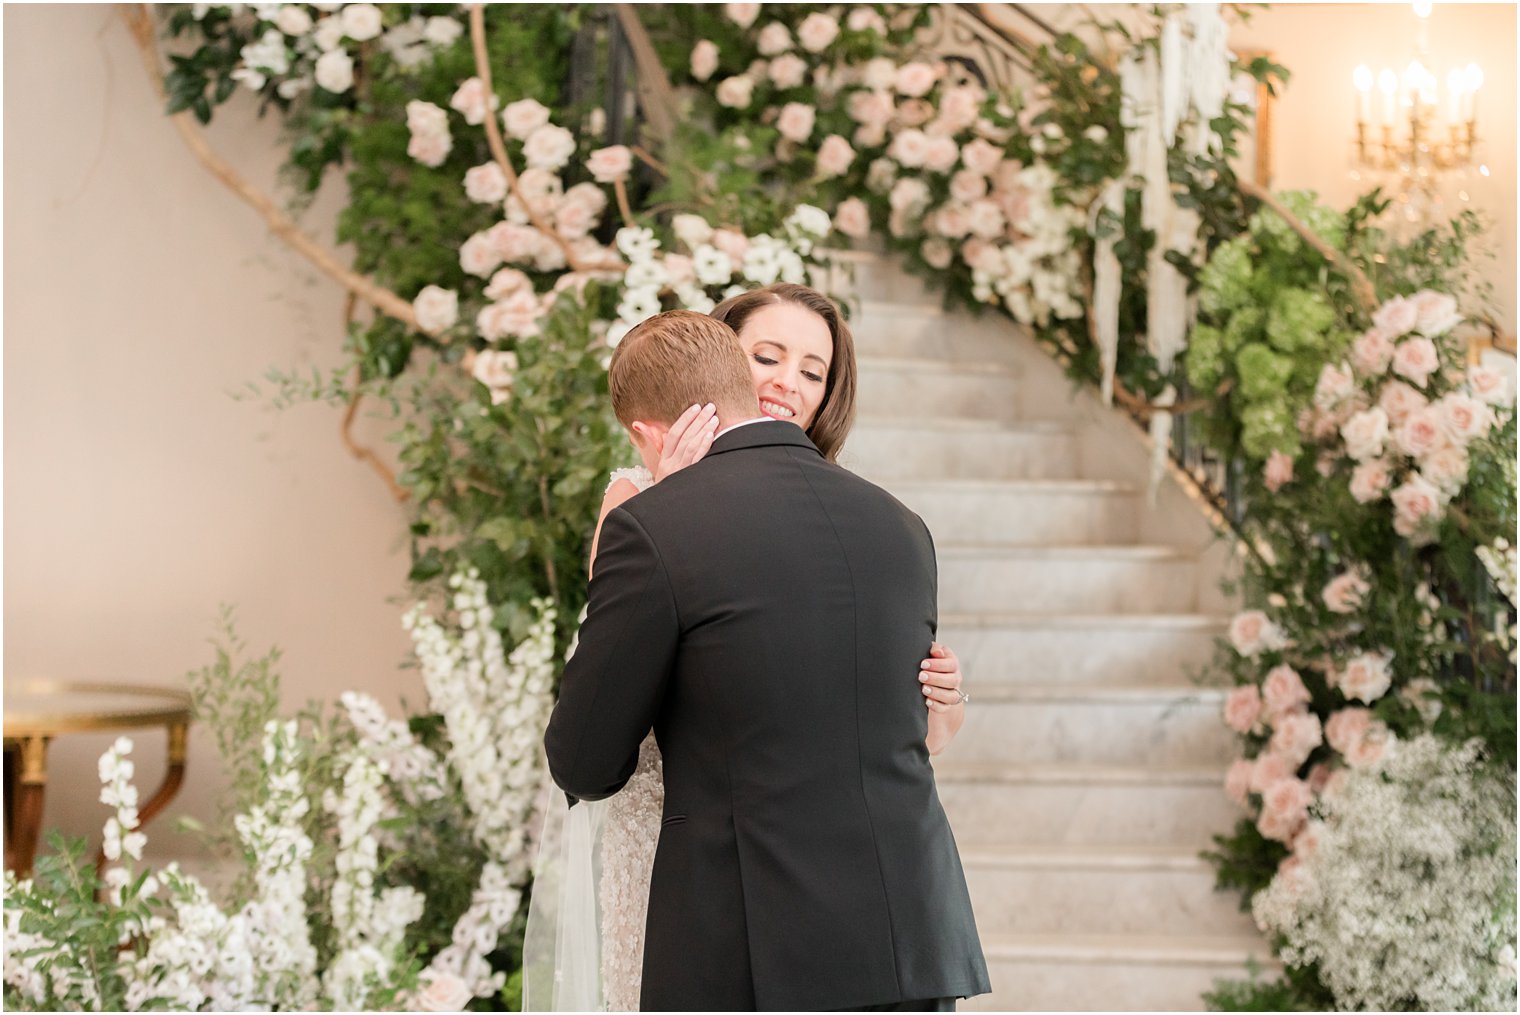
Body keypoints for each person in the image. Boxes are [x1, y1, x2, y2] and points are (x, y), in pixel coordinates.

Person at [543, 310, 990, 1011]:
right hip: (910, 940)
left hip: (748, 947)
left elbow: (586, 759)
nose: (790, 380)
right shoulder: (902, 525)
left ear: (644, 432)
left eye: (813, 367)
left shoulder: (657, 523)